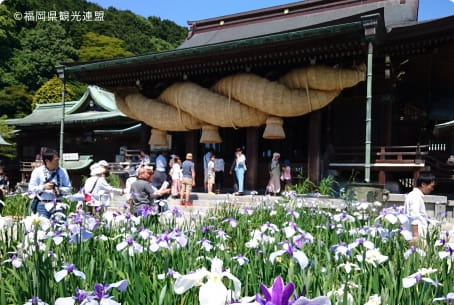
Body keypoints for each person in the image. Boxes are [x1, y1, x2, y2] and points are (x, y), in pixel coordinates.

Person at [28, 148, 72, 219]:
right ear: (47, 161)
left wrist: (58, 190)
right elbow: (31, 189)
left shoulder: (62, 171)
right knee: (43, 228)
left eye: (58, 160)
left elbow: (69, 188)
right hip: (42, 204)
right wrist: (43, 187)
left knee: (59, 227)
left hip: (58, 204)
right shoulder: (37, 171)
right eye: (56, 160)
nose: (58, 162)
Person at [403, 171, 436, 243]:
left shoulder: (412, 195)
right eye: (431, 186)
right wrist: (416, 236)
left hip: (412, 234)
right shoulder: (416, 197)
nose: (432, 189)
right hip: (417, 236)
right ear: (423, 184)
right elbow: (414, 216)